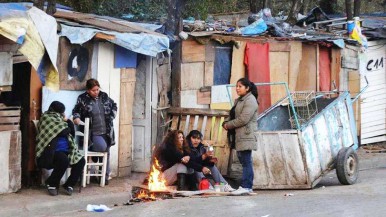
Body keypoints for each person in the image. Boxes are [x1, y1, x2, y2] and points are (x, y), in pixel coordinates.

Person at [72, 78, 117, 185]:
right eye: (93, 90)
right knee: (103, 147)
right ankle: (91, 148)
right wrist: (77, 118)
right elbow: (76, 110)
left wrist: (111, 116)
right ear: (88, 90)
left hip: (106, 131)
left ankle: (104, 177)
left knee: (107, 150)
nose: (96, 92)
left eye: (97, 89)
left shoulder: (104, 96)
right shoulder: (82, 99)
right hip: (93, 133)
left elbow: (114, 105)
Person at [36, 101, 85, 196]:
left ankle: (69, 185)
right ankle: (52, 184)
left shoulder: (61, 121)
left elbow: (71, 133)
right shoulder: (47, 118)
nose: (62, 114)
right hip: (51, 151)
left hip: (67, 150)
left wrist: (69, 122)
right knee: (63, 160)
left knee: (81, 161)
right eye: (61, 112)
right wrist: (67, 124)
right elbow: (63, 132)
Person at [222, 77, 258, 193]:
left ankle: (247, 186)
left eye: (240, 86)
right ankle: (245, 186)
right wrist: (226, 122)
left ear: (247, 88)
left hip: (246, 135)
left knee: (246, 161)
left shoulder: (250, 100)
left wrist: (229, 125)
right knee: (244, 161)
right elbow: (233, 114)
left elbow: (243, 119)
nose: (237, 88)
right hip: (239, 135)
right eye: (236, 86)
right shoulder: (239, 100)